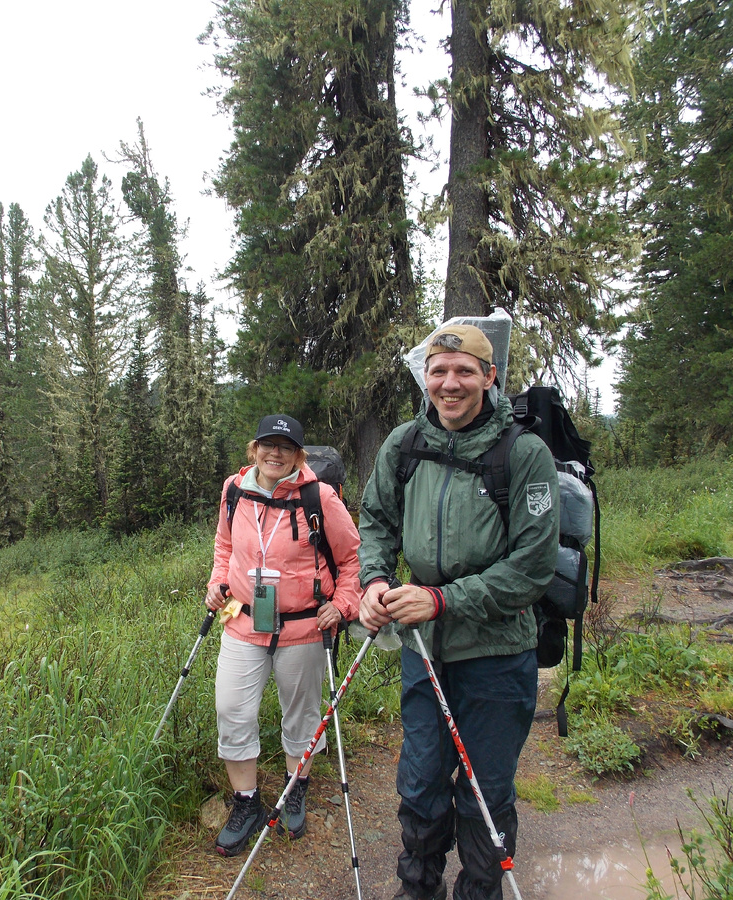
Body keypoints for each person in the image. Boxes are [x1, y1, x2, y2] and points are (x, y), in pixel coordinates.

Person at [357, 324, 560, 900]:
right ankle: (418, 890)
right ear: (425, 376)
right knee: (419, 783)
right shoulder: (404, 443)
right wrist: (374, 580)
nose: (450, 383)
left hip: (497, 654)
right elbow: (375, 521)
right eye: (439, 371)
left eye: (464, 371)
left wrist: (442, 600)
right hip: (425, 652)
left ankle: (479, 891)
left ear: (489, 378)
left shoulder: (523, 454)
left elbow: (532, 565)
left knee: (484, 791)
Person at [205, 414, 362, 857]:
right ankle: (246, 803)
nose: (275, 453)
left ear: (298, 455)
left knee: (301, 716)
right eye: (267, 445)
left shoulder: (320, 497)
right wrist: (217, 582)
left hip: (304, 627)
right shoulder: (234, 491)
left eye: (286, 447)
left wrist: (344, 604)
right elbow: (224, 546)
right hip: (242, 620)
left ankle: (296, 790)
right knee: (231, 709)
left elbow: (352, 560)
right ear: (253, 449)